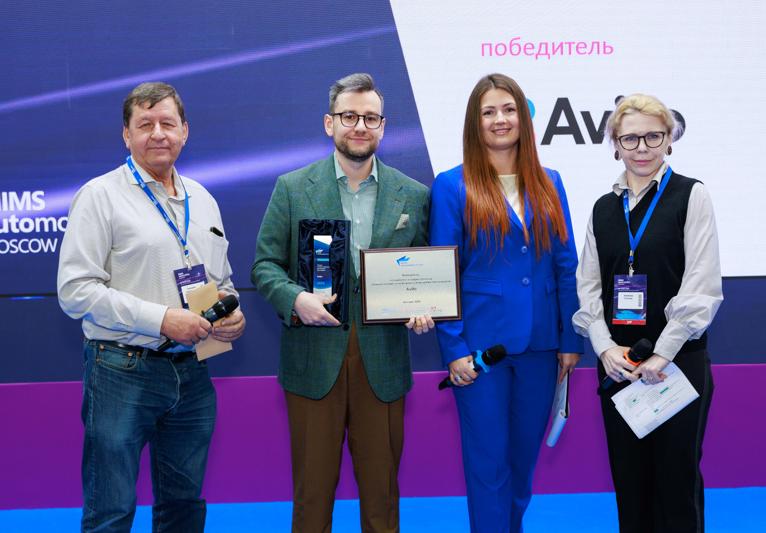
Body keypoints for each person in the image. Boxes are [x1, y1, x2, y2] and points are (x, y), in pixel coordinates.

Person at [57, 82, 246, 532]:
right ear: (127, 135)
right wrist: (161, 319)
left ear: (185, 131)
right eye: (145, 124)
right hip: (121, 370)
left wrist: (230, 316)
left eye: (167, 123)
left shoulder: (203, 199)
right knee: (111, 511)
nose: (158, 133)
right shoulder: (99, 196)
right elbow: (75, 290)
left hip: (193, 372)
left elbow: (219, 281)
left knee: (183, 507)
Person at [251, 72, 433, 533]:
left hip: (382, 364)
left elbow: (426, 273)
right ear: (329, 123)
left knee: (382, 500)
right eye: (349, 116)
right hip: (313, 362)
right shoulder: (292, 188)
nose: (360, 126)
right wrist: (296, 298)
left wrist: (423, 306)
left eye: (371, 118)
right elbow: (265, 266)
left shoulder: (413, 194)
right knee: (311, 499)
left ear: (383, 127)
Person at [429, 73, 583, 532]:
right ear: (474, 122)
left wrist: (570, 339)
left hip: (541, 346)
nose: (501, 119)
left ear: (524, 117)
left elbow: (566, 264)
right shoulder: (451, 185)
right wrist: (453, 348)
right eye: (489, 111)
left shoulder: (551, 181)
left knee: (522, 465)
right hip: (481, 352)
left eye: (509, 109)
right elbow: (443, 273)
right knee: (488, 467)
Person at [572, 93, 723, 533]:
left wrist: (663, 353)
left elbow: (701, 283)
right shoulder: (603, 208)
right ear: (615, 144)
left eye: (653, 137)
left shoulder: (691, 195)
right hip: (620, 366)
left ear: (669, 140)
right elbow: (589, 285)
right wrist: (604, 349)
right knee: (630, 485)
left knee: (677, 486)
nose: (642, 148)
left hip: (677, 363)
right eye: (630, 139)